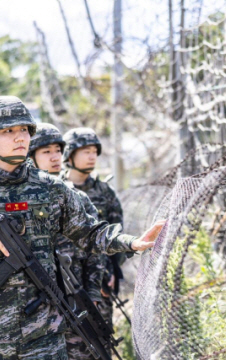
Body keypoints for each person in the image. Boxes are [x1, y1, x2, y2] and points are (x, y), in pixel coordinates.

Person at [0, 96, 163, 360]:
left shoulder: (51, 188)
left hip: (44, 330)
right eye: (7, 131)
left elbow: (90, 232)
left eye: (23, 129)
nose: (19, 137)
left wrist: (131, 242)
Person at [29, 123, 105, 360]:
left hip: (75, 293)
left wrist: (92, 290)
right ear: (31, 156)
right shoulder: (19, 197)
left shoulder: (75, 196)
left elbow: (95, 246)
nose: (54, 158)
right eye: (46, 152)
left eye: (57, 151)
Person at [61, 127, 126, 347]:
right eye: (85, 151)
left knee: (99, 338)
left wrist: (112, 272)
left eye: (94, 152)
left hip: (99, 278)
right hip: (64, 277)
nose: (91, 156)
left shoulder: (105, 193)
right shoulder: (56, 189)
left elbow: (117, 236)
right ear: (69, 155)